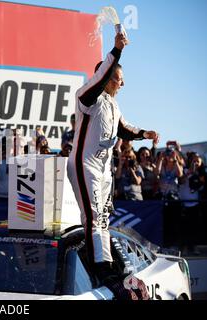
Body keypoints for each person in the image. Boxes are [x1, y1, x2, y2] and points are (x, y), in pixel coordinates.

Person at [66, 32, 159, 282]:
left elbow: (123, 127)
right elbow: (98, 79)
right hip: (84, 165)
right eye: (118, 79)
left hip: (104, 170)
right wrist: (116, 50)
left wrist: (143, 133)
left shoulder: (113, 105)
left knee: (104, 218)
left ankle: (106, 262)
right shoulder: (87, 97)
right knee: (93, 217)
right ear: (106, 78)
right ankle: (99, 267)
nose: (122, 84)